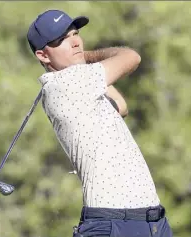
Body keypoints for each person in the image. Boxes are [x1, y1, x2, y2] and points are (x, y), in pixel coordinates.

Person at [27, 9, 173, 237]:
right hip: (114, 224)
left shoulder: (82, 83)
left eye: (75, 34)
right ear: (43, 55)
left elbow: (121, 106)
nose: (75, 42)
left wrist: (80, 61)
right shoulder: (66, 83)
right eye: (62, 40)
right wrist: (88, 57)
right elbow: (131, 57)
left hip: (150, 222)